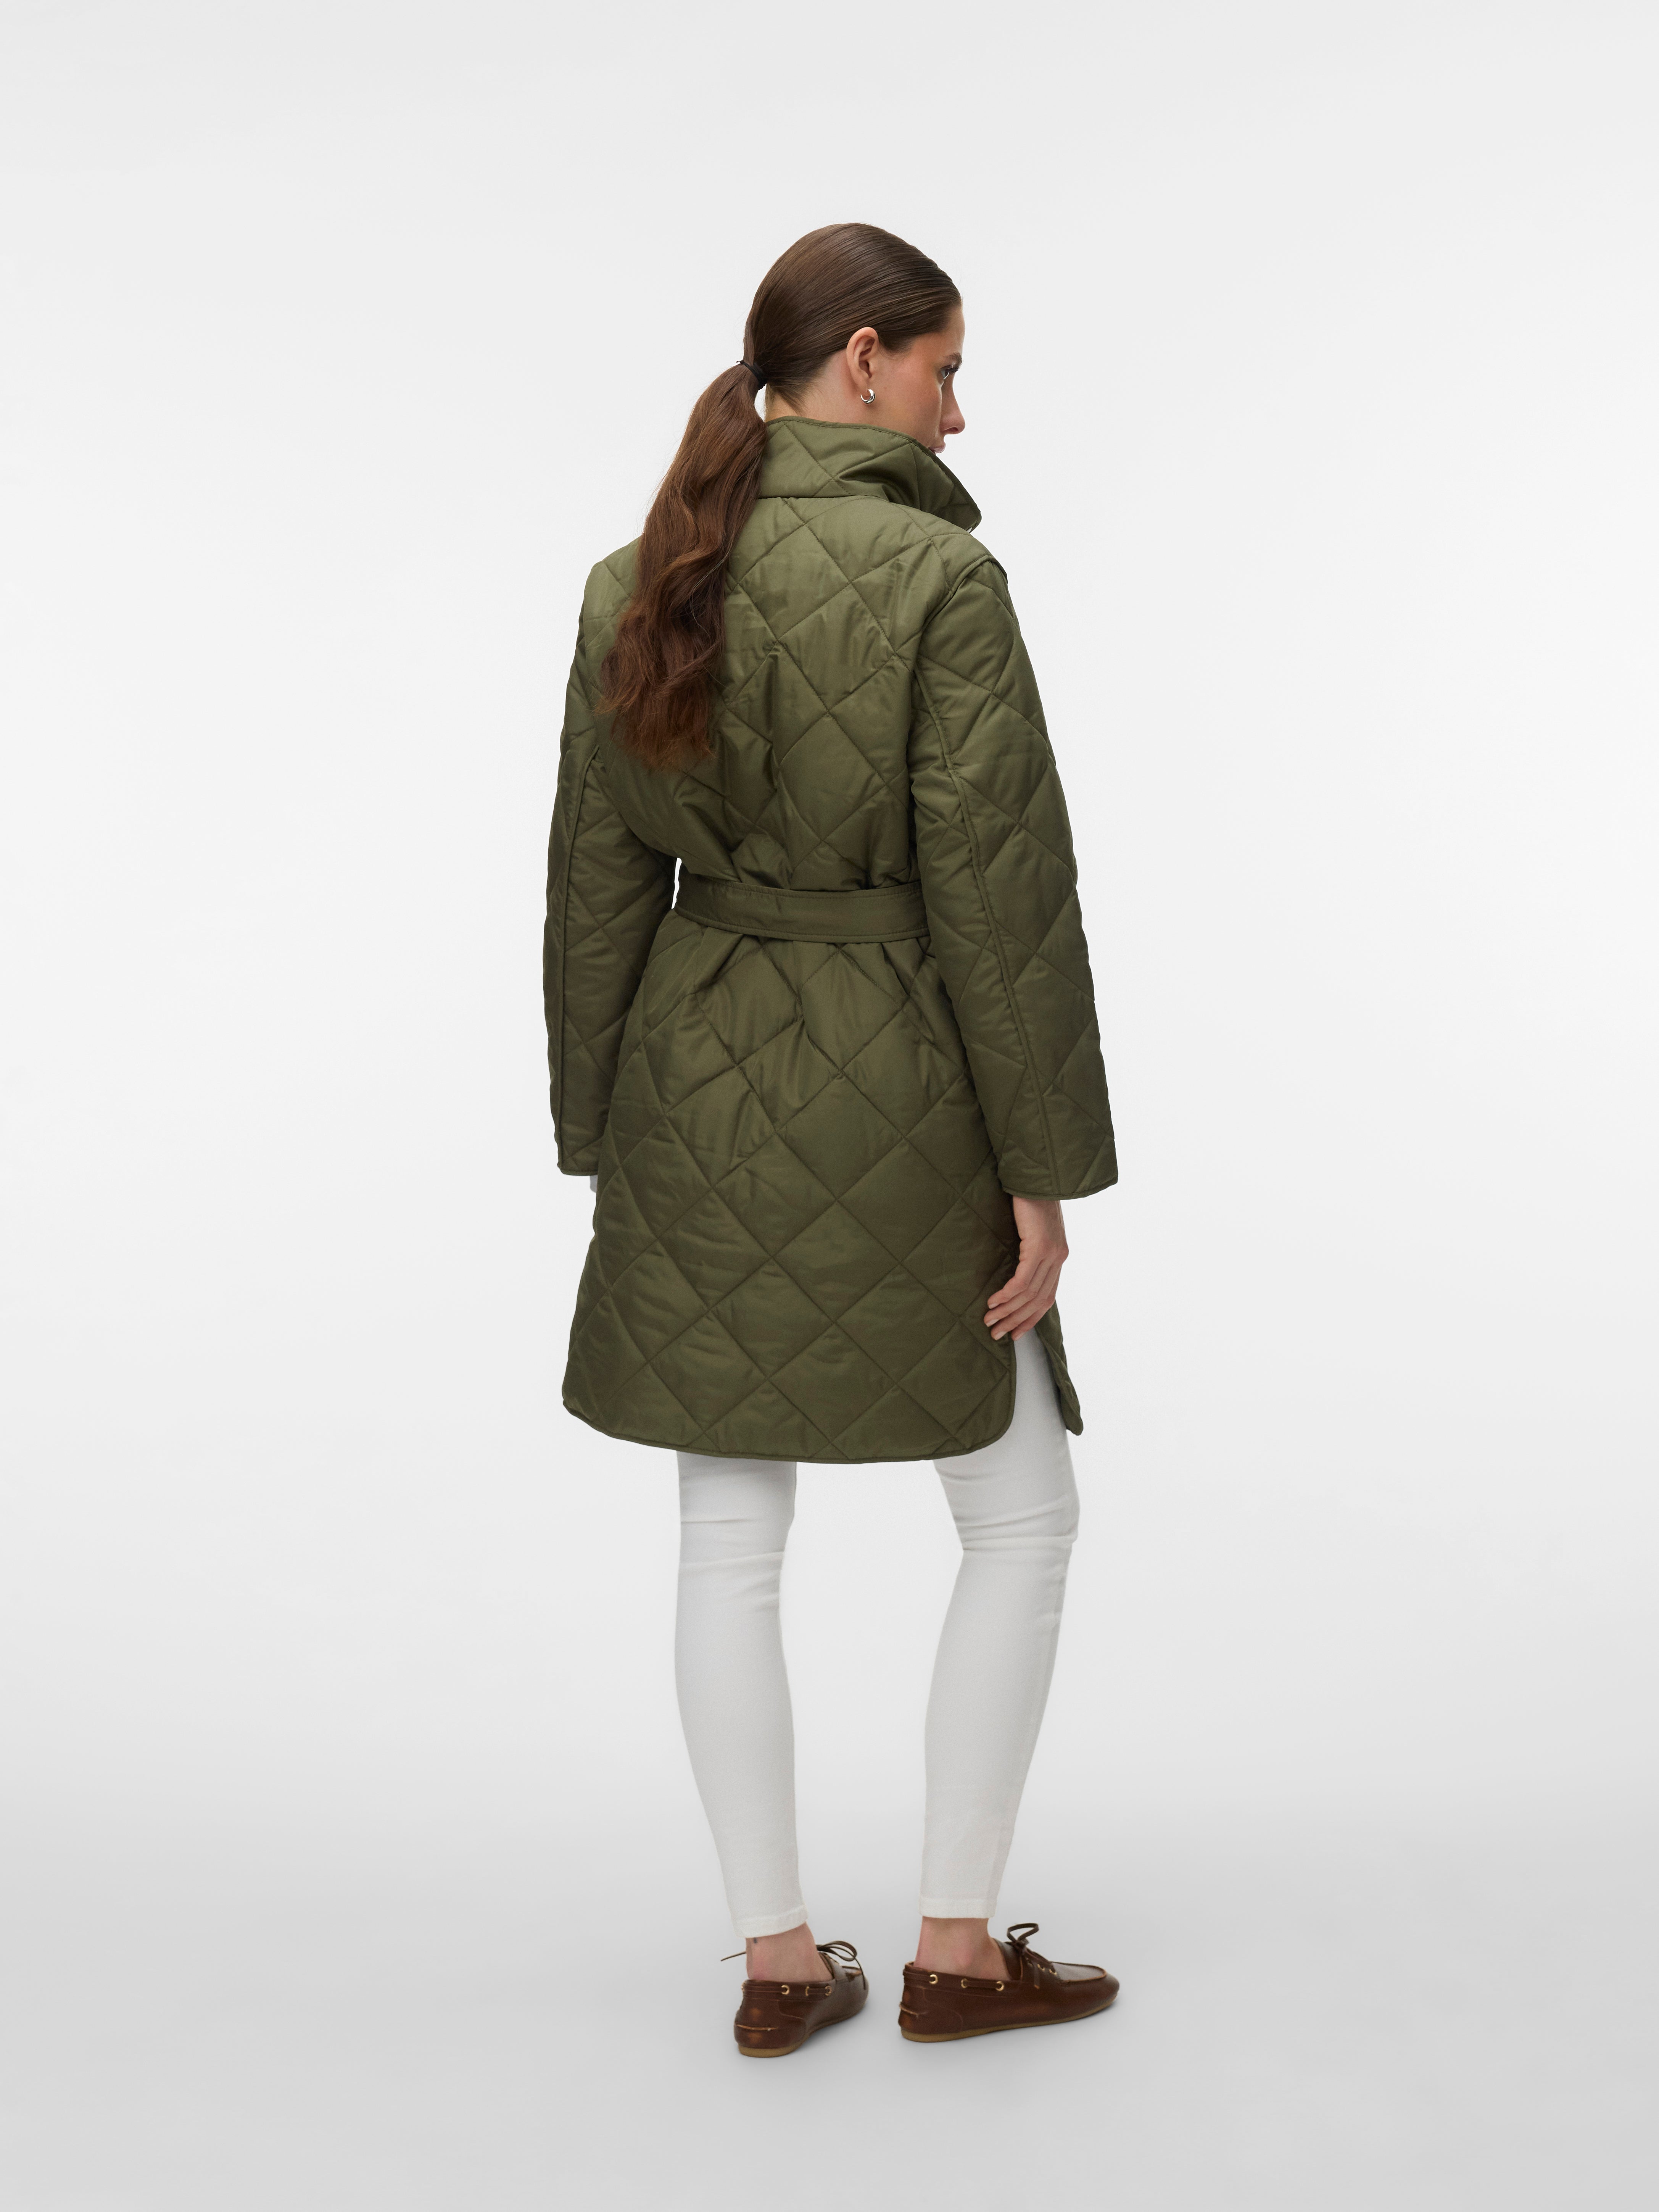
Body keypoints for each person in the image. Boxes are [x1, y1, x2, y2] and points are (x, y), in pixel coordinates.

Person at [543, 223, 1119, 2054]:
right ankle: (954, 1949)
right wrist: (1041, 1171)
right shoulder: (942, 583)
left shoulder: (640, 576)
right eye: (945, 369)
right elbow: (1003, 902)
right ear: (862, 360)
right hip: (910, 1080)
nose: (959, 411)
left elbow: (594, 889)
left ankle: (778, 1966)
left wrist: (601, 1134)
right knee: (1019, 1516)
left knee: (727, 1539)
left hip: (693, 1084)